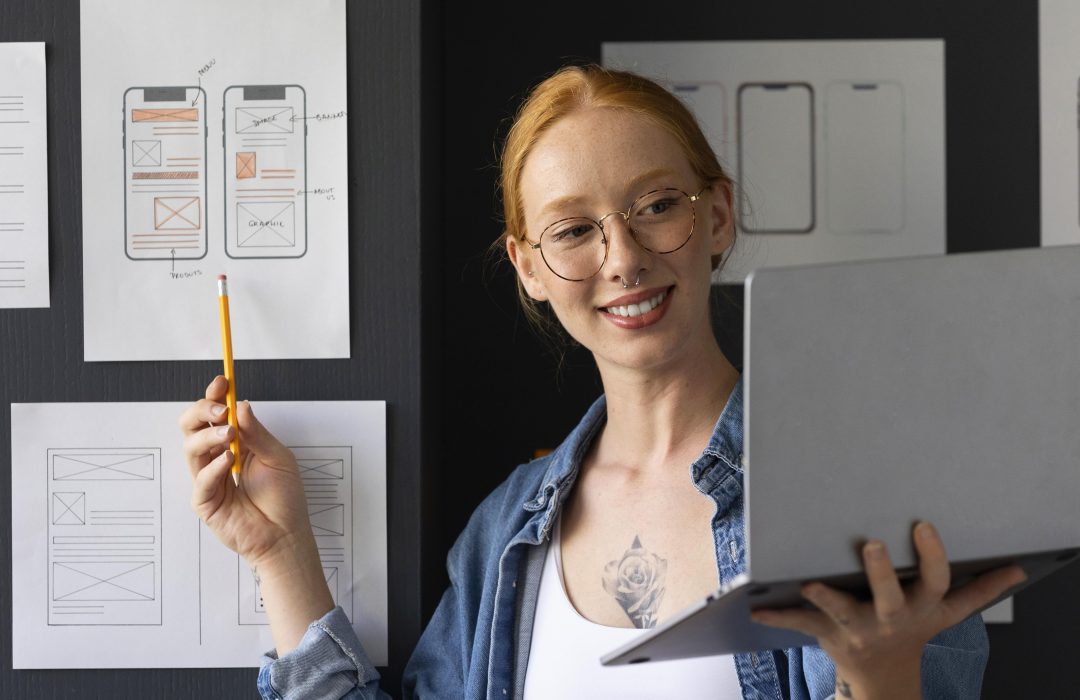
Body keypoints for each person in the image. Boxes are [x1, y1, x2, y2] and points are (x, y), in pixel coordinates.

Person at [180, 65, 1025, 700]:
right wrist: (280, 550)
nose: (623, 260)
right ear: (530, 269)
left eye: (657, 205)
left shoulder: (863, 494)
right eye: (574, 229)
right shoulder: (505, 529)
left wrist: (881, 680)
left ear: (718, 216)